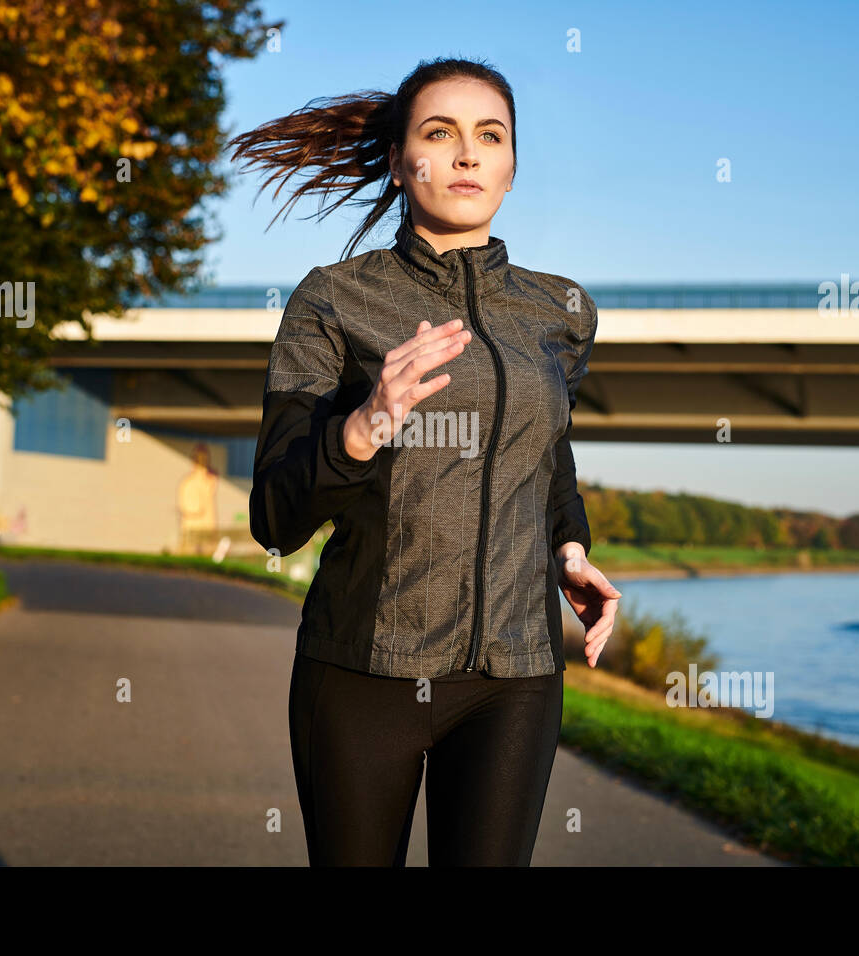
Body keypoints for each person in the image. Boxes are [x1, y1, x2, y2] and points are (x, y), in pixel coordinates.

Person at [232, 56, 621, 866]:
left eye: (490, 136)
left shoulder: (560, 312)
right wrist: (363, 427)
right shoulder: (332, 301)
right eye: (438, 134)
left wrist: (570, 550)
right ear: (400, 163)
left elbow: (548, 459)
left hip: (514, 676)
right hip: (362, 672)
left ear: (513, 169)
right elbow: (274, 517)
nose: (468, 155)